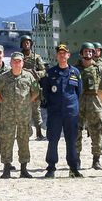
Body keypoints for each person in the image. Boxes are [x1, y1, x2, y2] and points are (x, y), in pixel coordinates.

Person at [0, 52, 41, 179]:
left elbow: (35, 92)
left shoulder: (28, 77)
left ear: (22, 63)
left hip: (23, 115)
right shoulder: (3, 77)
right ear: (10, 63)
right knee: (6, 141)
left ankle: (23, 169)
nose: (16, 63)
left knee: (24, 141)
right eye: (14, 61)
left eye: (19, 61)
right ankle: (6, 168)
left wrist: (27, 102)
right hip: (8, 115)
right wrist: (3, 102)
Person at [41, 43, 82, 178]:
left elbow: (79, 91)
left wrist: (72, 105)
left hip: (71, 112)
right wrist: (53, 105)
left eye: (64, 53)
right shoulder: (50, 73)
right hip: (55, 112)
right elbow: (46, 92)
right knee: (53, 140)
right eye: (60, 53)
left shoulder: (75, 72)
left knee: (71, 140)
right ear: (57, 56)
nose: (62, 55)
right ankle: (51, 167)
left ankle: (73, 168)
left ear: (68, 55)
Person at [76, 43, 102, 170]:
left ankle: (96, 160)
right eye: (85, 51)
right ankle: (76, 159)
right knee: (76, 130)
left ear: (93, 54)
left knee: (97, 130)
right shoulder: (75, 69)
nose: (88, 53)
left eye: (90, 51)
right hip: (79, 101)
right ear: (81, 53)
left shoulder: (99, 69)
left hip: (95, 101)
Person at [19, 35, 47, 141]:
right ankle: (22, 133)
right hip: (21, 87)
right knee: (21, 110)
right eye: (24, 42)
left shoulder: (36, 57)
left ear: (31, 44)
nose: (26, 44)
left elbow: (43, 71)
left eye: (28, 42)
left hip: (34, 86)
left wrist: (35, 73)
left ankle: (39, 133)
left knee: (36, 110)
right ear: (21, 44)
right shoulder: (19, 57)